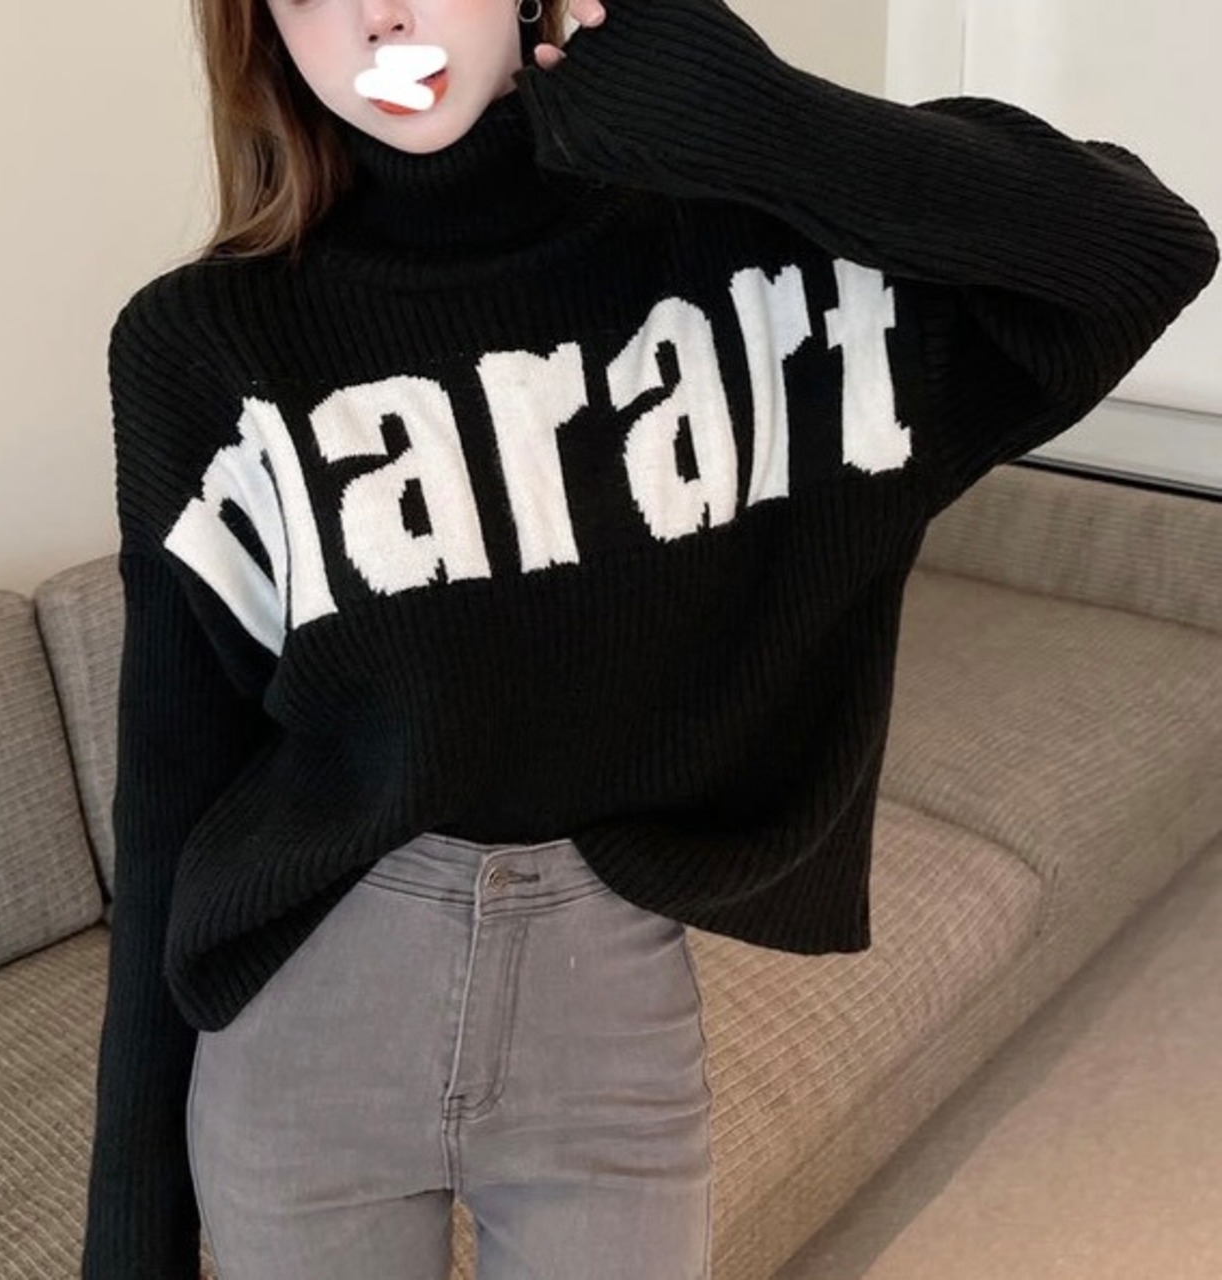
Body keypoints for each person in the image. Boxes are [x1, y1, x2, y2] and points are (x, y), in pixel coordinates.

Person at [81, 0, 1218, 1276]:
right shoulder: (201, 343)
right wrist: (129, 1236)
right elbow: (172, 789)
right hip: (307, 1017)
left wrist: (753, 116)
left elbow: (1142, 249)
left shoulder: (756, 270)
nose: (375, 16)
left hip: (607, 1004)